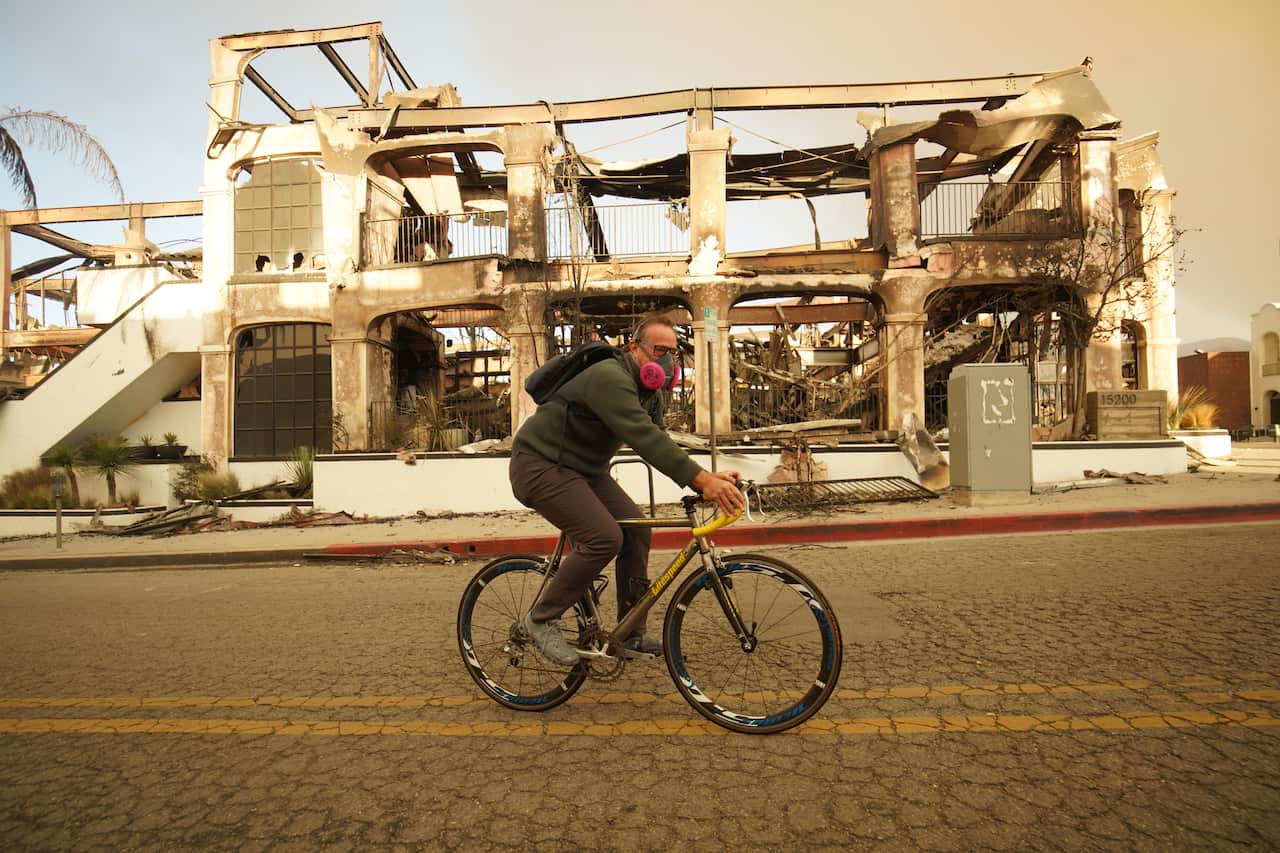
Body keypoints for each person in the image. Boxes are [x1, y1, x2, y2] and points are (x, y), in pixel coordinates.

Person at [509, 315, 745, 665]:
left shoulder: (650, 393)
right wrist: (702, 481)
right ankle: (540, 619)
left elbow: (660, 439)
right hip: (541, 465)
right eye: (658, 350)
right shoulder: (609, 377)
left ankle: (630, 631)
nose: (666, 360)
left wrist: (708, 475)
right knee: (604, 537)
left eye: (673, 353)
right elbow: (643, 438)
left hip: (585, 471)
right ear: (634, 348)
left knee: (636, 530)